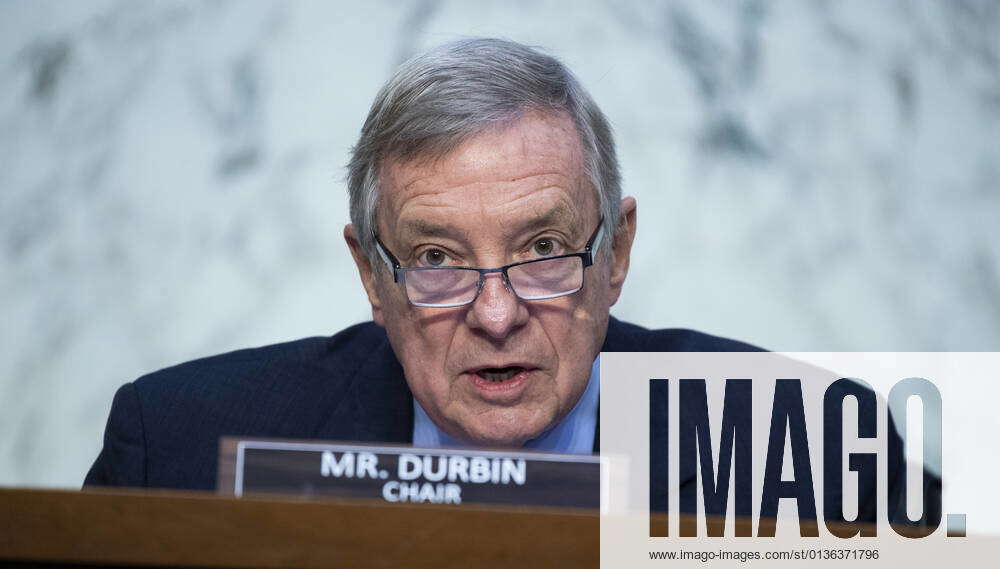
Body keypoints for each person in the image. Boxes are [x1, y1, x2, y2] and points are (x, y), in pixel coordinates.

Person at [89, 38, 920, 528]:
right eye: (438, 260)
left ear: (617, 254)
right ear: (371, 278)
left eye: (546, 246)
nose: (495, 313)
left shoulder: (811, 445)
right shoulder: (181, 451)